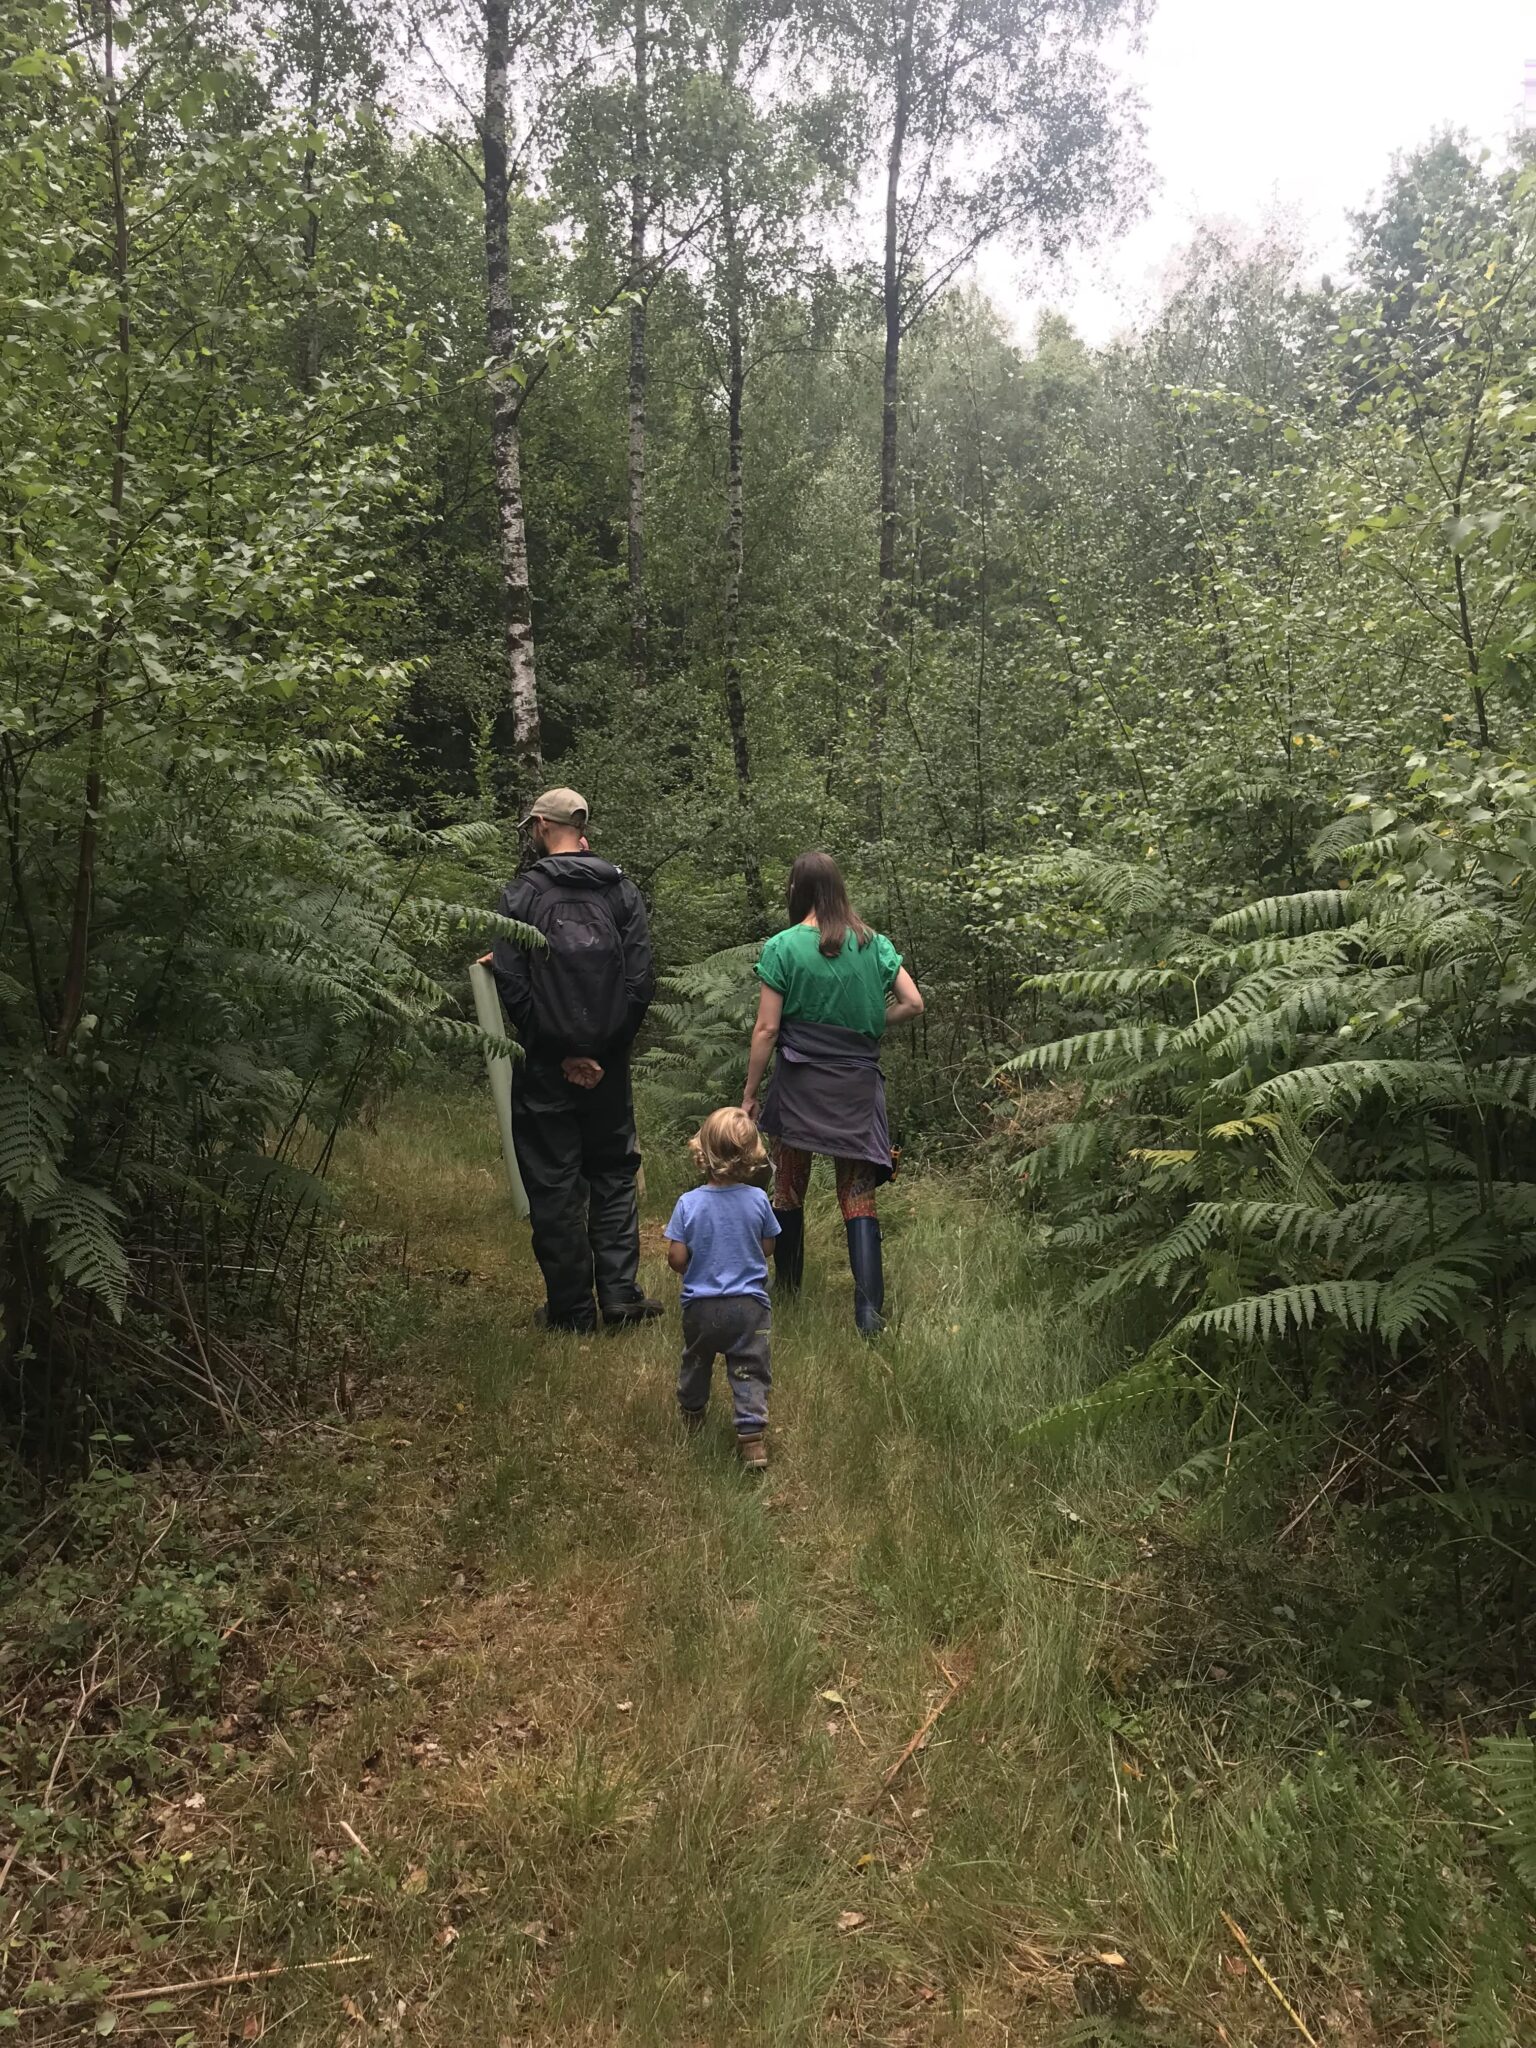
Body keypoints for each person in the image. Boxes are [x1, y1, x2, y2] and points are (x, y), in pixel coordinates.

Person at [491, 787, 662, 1333]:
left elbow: (513, 986)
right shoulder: (621, 893)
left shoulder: (520, 895)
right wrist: (602, 1052)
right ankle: (619, 1298)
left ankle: (571, 1310)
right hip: (609, 1068)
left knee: (554, 1180)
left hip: (544, 1066)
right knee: (613, 1173)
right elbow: (640, 981)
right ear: (581, 825)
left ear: (542, 826)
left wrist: (562, 1052)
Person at [742, 852, 924, 1335]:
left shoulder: (782, 946)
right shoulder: (874, 943)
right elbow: (914, 1003)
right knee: (858, 1196)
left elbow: (766, 1029)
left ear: (796, 891)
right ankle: (869, 1319)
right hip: (857, 1088)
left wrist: (749, 1094)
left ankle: (788, 1292)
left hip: (801, 1085)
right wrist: (867, 1023)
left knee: (788, 1188)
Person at [663, 1108, 780, 1470]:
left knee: (697, 1359)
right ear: (752, 1153)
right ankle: (751, 1440)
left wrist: (693, 1263)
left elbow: (676, 1258)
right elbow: (768, 1247)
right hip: (750, 1307)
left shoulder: (688, 1203)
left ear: (704, 1151)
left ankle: (693, 1412)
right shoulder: (759, 1200)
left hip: (701, 1307)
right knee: (749, 1366)